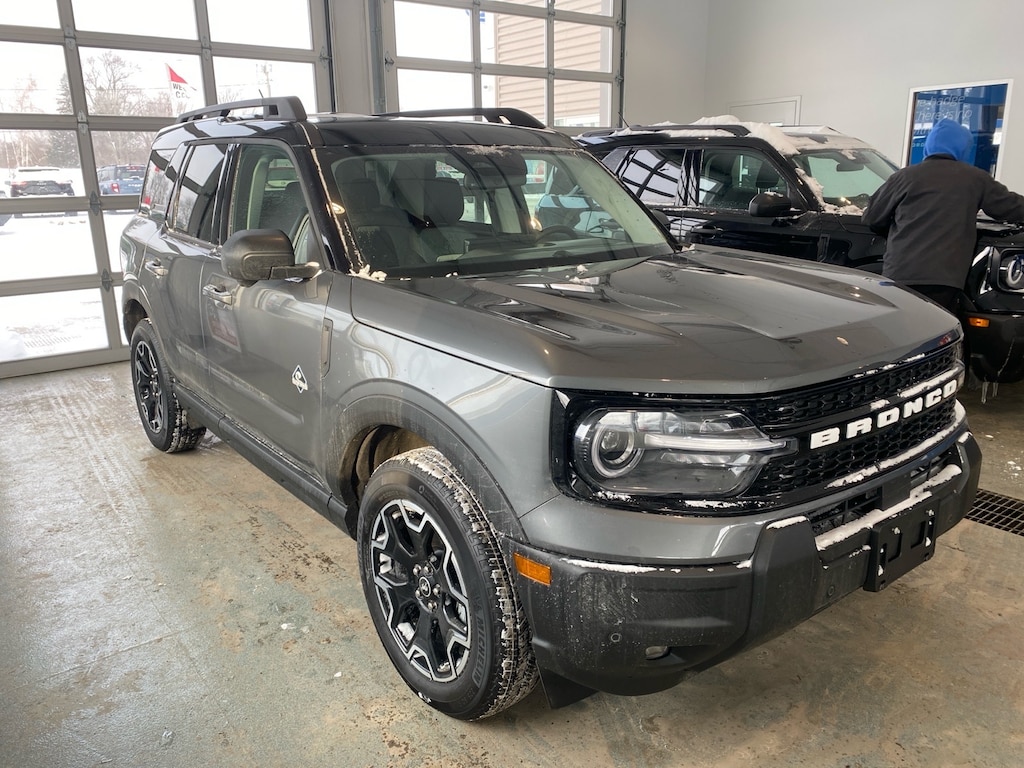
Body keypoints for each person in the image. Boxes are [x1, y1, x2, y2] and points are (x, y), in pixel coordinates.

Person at [862, 118, 1024, 313]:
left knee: (900, 333)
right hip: (944, 279)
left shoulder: (904, 177)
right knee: (936, 334)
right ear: (963, 148)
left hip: (900, 273)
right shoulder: (974, 179)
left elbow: (872, 217)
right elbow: (1010, 207)